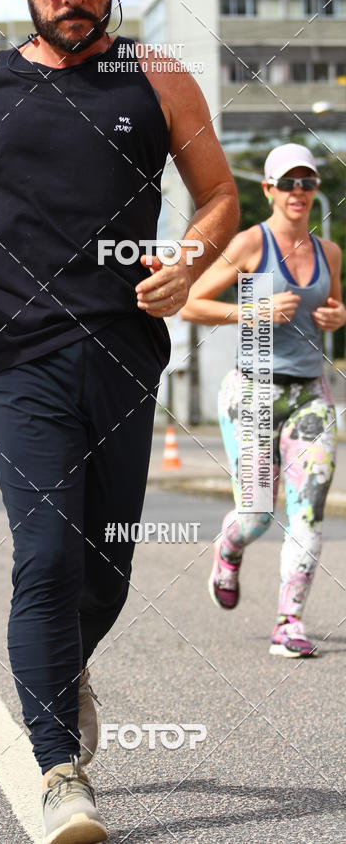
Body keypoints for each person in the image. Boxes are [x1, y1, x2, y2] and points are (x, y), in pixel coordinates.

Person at [0, 0, 239, 839]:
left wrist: (187, 259)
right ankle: (59, 771)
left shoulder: (157, 79)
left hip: (123, 353)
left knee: (106, 571)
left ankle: (60, 669)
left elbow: (219, 196)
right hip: (16, 357)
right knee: (46, 556)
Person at [181, 143, 345, 659]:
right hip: (251, 390)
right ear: (268, 189)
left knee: (308, 511)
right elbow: (190, 304)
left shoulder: (329, 251)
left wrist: (336, 318)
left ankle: (289, 622)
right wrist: (253, 310)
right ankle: (228, 548)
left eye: (308, 183)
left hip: (309, 395)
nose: (300, 192)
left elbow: (334, 305)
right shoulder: (251, 244)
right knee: (256, 516)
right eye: (289, 183)